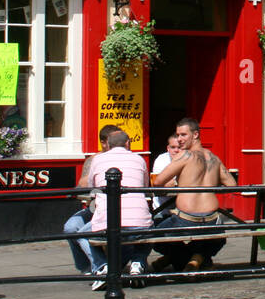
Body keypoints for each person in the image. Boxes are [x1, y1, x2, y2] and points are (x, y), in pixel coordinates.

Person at [150, 118, 236, 271]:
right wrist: (209, 183)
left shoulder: (184, 156)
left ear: (195, 134)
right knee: (218, 239)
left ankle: (177, 258)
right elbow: (231, 185)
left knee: (151, 237)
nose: (179, 139)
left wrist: (179, 182)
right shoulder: (214, 158)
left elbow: (158, 182)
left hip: (186, 220)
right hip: (212, 220)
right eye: (178, 135)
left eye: (183, 135)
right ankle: (198, 256)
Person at [82, 129, 154, 288]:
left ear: (107, 144)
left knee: (83, 233)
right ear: (128, 143)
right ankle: (138, 262)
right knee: (149, 225)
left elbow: (91, 188)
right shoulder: (139, 159)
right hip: (138, 226)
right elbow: (144, 186)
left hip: (106, 226)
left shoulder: (97, 160)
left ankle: (102, 267)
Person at [63, 124, 119, 275]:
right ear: (103, 143)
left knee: (83, 233)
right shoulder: (94, 160)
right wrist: (98, 165)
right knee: (70, 227)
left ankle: (102, 266)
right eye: (114, 141)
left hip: (118, 210)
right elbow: (81, 185)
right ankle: (86, 267)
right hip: (95, 208)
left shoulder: (124, 159)